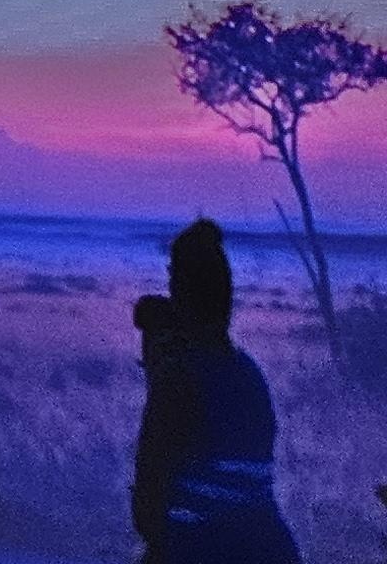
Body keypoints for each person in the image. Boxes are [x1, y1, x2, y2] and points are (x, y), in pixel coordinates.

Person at [134, 220, 304, 562]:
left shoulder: (180, 379)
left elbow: (146, 513)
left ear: (179, 292)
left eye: (172, 280)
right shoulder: (248, 373)